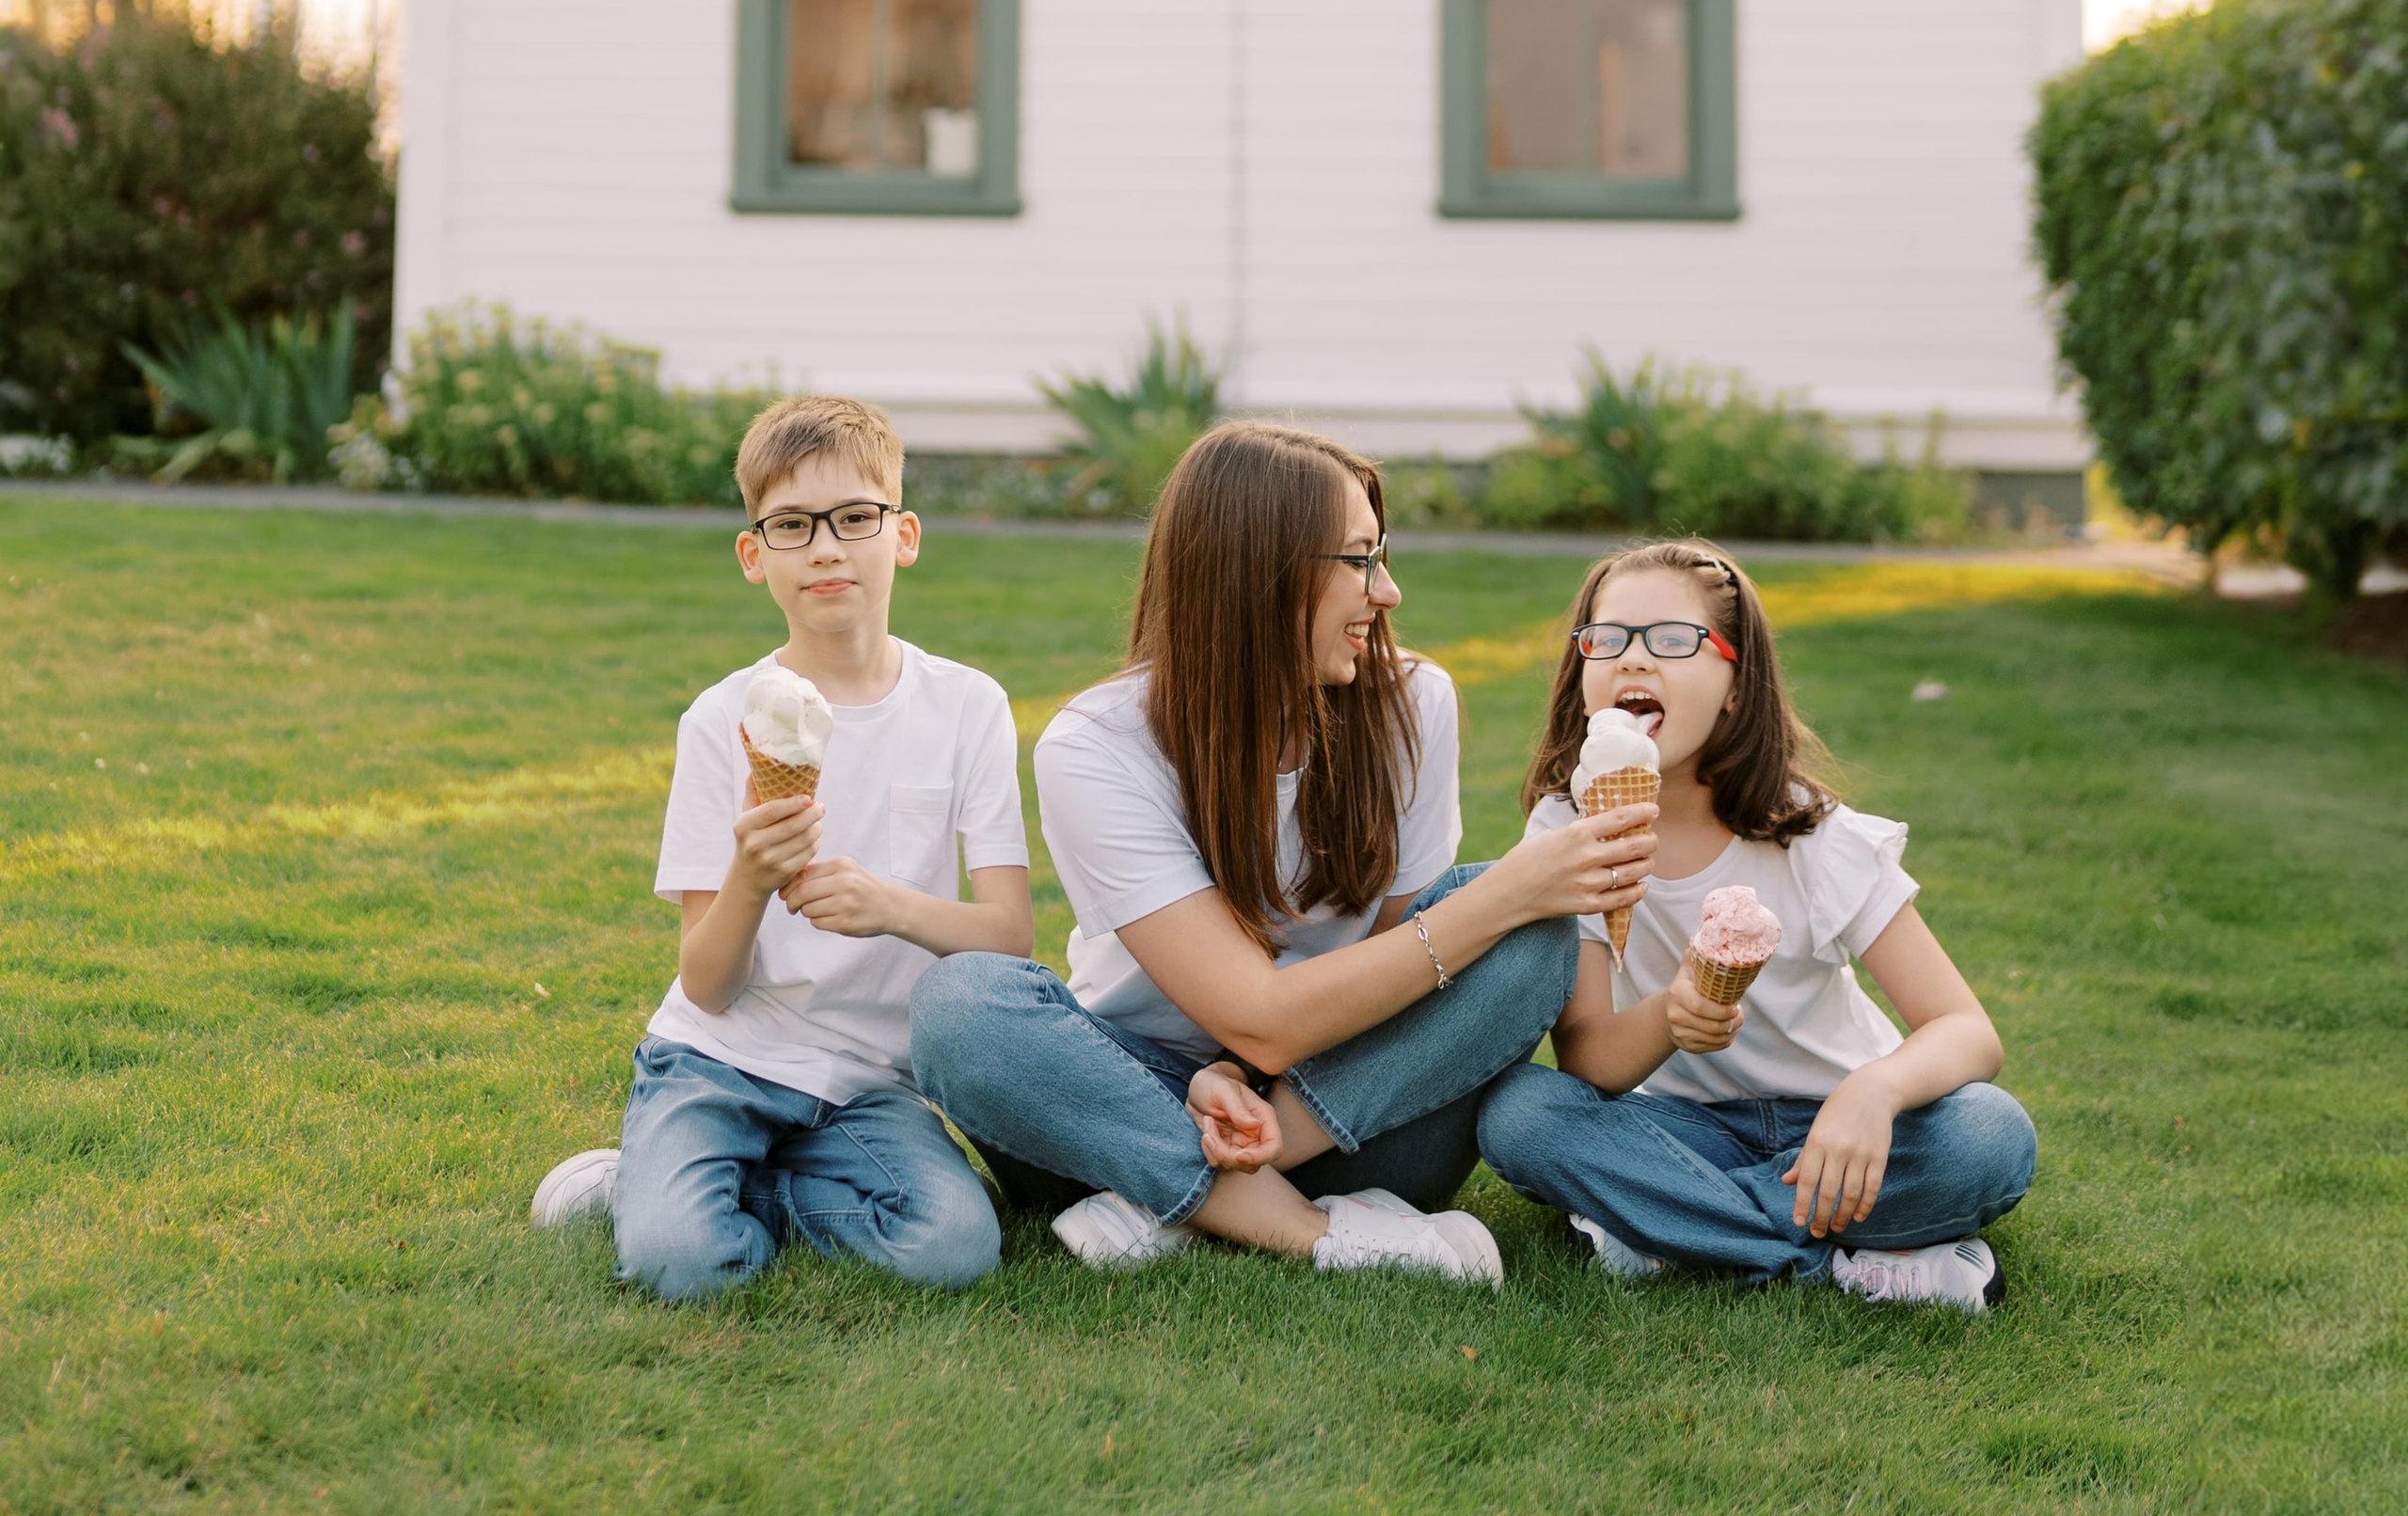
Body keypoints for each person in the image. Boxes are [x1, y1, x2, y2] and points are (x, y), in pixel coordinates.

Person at [911, 421, 1652, 1280]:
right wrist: (1514, 890)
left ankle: (1173, 1201)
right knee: (962, 1001)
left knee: (1534, 936)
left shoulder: (1413, 703)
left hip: (1344, 1112)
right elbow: (1255, 1013)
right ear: (1258, 570)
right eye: (1359, 561)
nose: (1390, 592)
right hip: (1111, 1105)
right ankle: (1310, 1233)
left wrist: (1244, 1079)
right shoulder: (1096, 744)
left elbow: (1386, 975)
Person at [529, 393, 1030, 1298]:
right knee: (682, 1269)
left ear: (904, 534)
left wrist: (892, 908)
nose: (827, 547)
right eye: (792, 526)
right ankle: (656, 1182)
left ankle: (687, 1184)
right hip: (719, 1061)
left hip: (871, 1085)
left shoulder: (968, 707)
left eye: (854, 518)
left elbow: (1010, 938)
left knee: (954, 1249)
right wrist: (750, 881)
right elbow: (707, 984)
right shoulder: (723, 719)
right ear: (755, 557)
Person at [1477, 538, 2036, 1311]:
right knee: (1521, 1115)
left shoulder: (1812, 837)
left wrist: (1874, 1093)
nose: (1632, 660)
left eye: (1672, 640)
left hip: (1839, 1126)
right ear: (1582, 682)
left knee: (1990, 1135)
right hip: (1677, 1126)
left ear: (1736, 685)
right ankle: (1842, 1263)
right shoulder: (1566, 838)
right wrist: (1672, 1017)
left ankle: (1667, 1228)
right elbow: (1591, 1064)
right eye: (1606, 640)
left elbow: (1966, 1031)